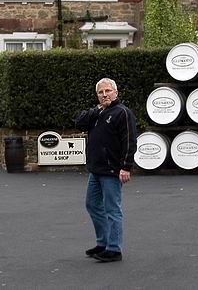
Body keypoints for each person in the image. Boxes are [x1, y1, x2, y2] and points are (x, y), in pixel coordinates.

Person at [75, 77, 137, 263]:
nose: (105, 95)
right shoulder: (97, 113)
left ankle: (114, 248)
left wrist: (126, 167)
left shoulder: (122, 113)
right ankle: (103, 243)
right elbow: (79, 123)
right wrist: (96, 110)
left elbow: (130, 141)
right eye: (101, 92)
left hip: (112, 170)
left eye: (108, 91)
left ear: (116, 92)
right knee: (92, 205)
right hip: (96, 170)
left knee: (112, 209)